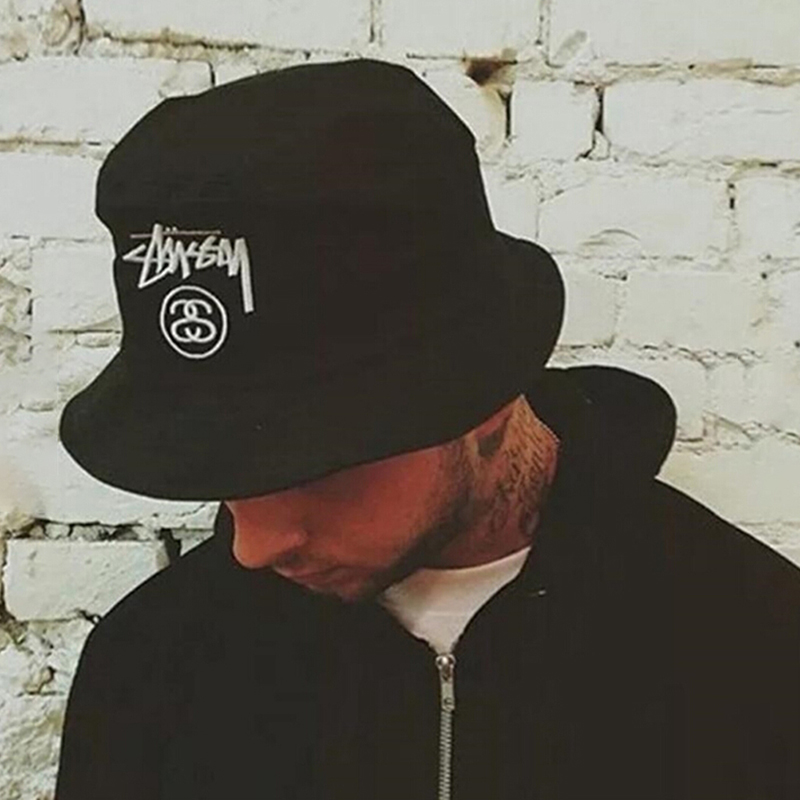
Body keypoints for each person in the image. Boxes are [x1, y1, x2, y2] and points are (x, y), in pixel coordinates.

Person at [55, 59, 800, 800]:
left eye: (307, 465)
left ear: (484, 394)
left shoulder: (756, 648)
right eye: (212, 463)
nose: (252, 545)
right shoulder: (152, 670)